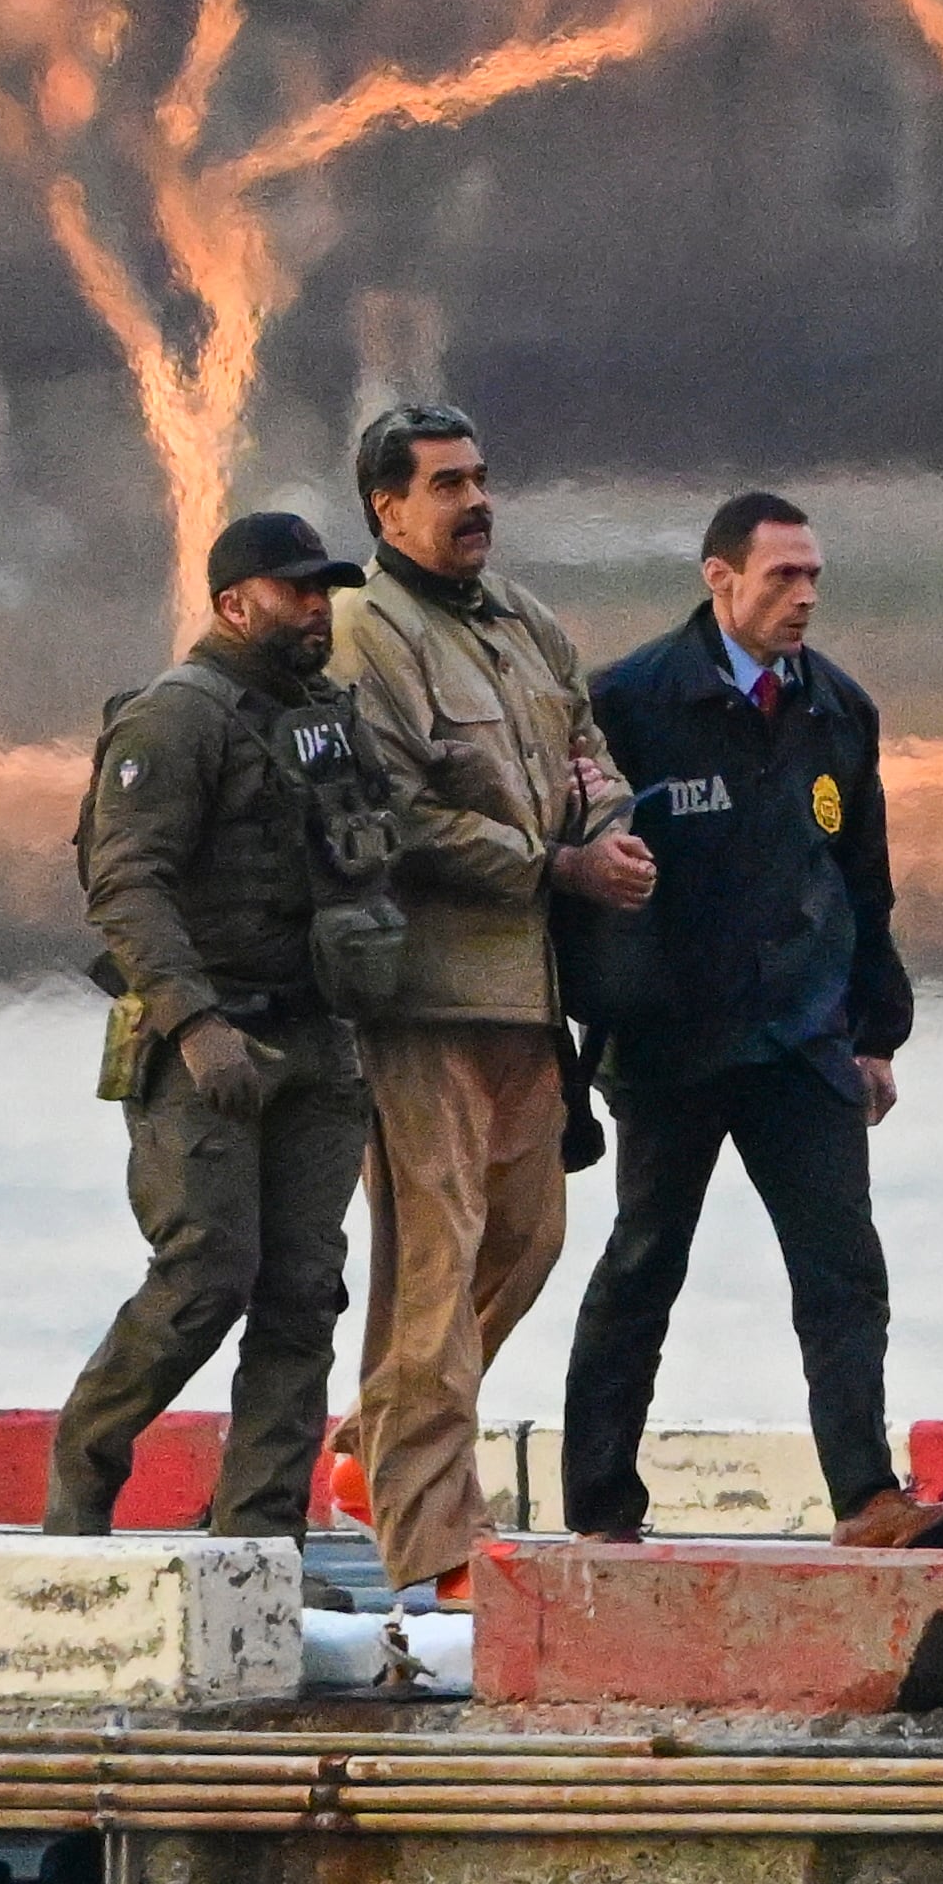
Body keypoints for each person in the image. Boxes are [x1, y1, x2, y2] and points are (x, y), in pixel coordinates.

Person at [562, 493, 943, 1550]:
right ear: (720, 578)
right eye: (780, 577)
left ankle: (865, 1498)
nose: (801, 596)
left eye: (812, 578)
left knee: (843, 1266)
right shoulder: (630, 699)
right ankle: (599, 1507)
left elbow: (862, 875)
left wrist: (874, 1031)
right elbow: (572, 870)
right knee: (645, 1260)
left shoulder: (837, 710)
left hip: (800, 1039)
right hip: (672, 1040)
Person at [321, 403, 655, 1604]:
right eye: (446, 484)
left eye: (481, 476)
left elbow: (591, 753)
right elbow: (393, 813)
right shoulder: (369, 631)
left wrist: (603, 823)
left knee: (530, 1235)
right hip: (422, 996)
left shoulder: (523, 623)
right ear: (386, 506)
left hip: (530, 994)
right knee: (434, 1251)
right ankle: (434, 1547)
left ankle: (374, 1443)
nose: (475, 501)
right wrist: (549, 861)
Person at [48, 511, 403, 1541]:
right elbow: (125, 884)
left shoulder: (328, 716)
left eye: (323, 591)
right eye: (295, 591)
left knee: (302, 1295)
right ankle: (82, 1472)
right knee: (205, 1274)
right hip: (206, 1047)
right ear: (234, 601)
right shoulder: (176, 719)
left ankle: (258, 1533)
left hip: (319, 1043)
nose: (314, 609)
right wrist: (197, 1027)